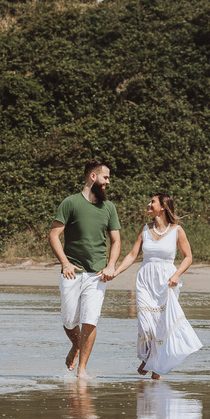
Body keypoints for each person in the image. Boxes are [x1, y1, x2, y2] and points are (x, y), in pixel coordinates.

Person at [108, 193, 202, 379]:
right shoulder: (145, 229)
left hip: (167, 282)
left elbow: (188, 257)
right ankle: (150, 357)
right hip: (145, 281)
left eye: (153, 202)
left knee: (162, 326)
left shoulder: (177, 230)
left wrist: (176, 275)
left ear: (163, 207)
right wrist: (116, 272)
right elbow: (132, 255)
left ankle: (156, 366)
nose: (149, 204)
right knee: (145, 325)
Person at [48, 159, 122, 378]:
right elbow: (54, 235)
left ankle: (82, 370)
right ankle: (76, 345)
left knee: (90, 320)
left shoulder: (109, 207)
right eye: (105, 177)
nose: (108, 182)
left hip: (97, 274)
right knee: (69, 320)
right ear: (93, 176)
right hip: (72, 272)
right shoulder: (70, 203)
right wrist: (65, 263)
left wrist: (111, 265)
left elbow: (116, 241)